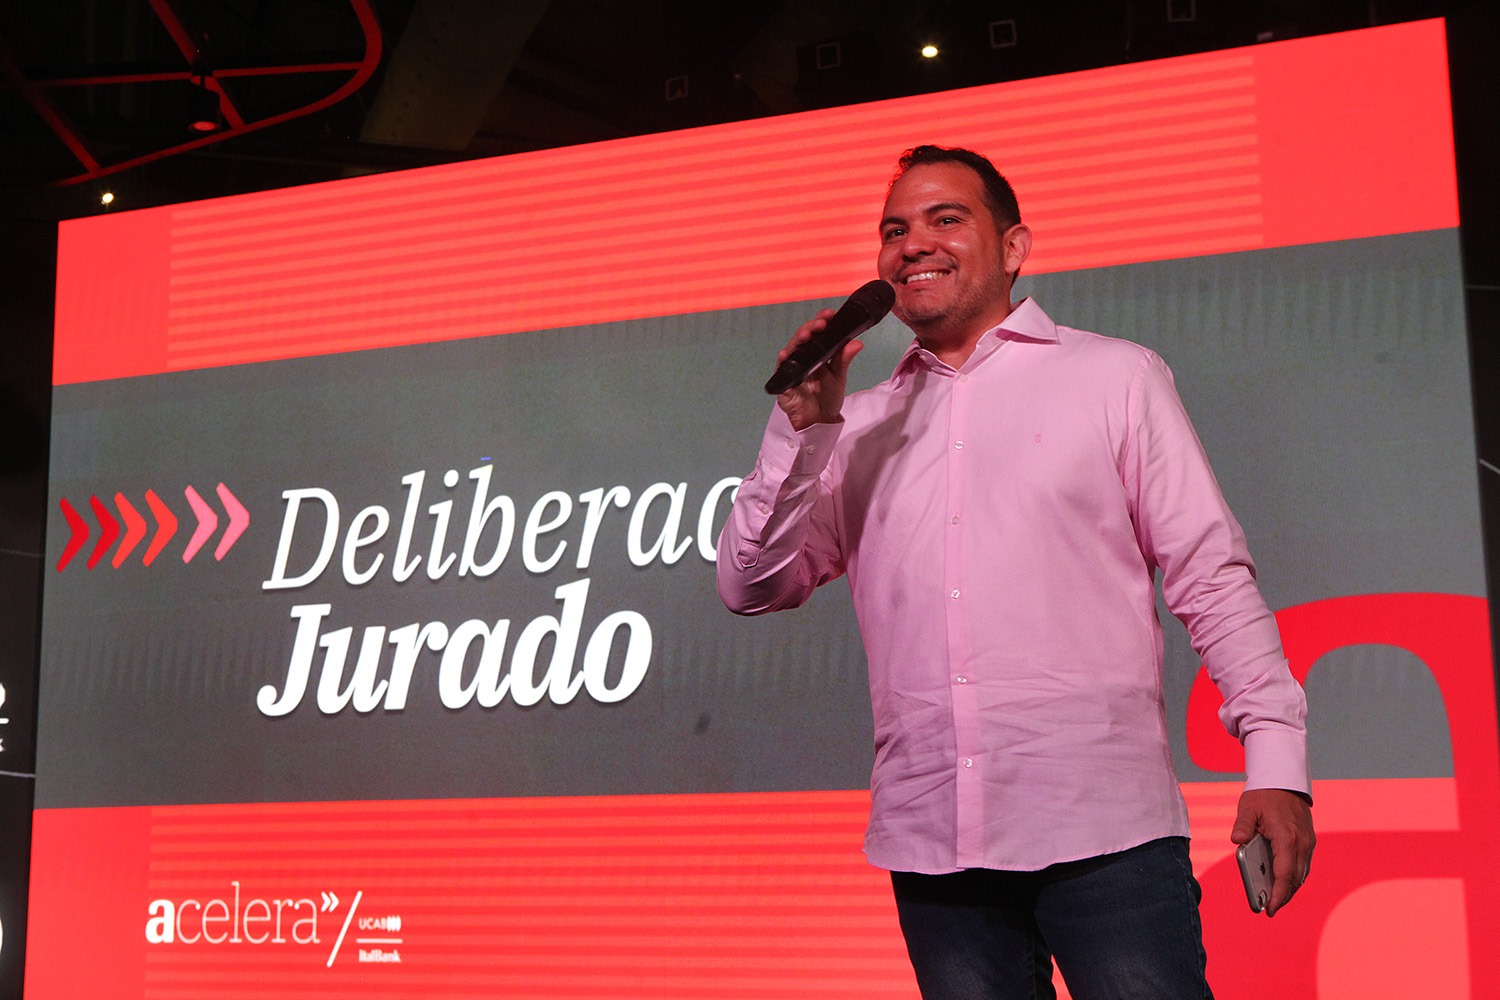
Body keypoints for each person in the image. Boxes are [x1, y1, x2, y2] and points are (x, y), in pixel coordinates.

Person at [715, 145, 1314, 999]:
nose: (913, 244)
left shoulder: (1114, 377)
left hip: (1106, 832)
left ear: (1014, 247)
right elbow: (749, 586)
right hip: (935, 846)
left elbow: (1211, 576)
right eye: (894, 230)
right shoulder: (857, 425)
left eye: (946, 219)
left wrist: (1277, 761)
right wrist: (802, 430)